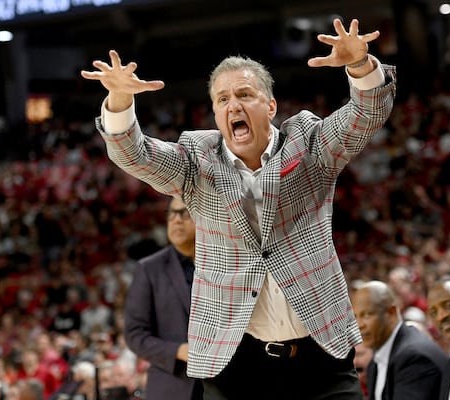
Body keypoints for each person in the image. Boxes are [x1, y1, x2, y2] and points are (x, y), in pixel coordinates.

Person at [81, 16, 397, 399]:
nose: (234, 105)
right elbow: (134, 154)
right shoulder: (196, 160)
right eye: (223, 99)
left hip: (320, 356)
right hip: (236, 364)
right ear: (216, 114)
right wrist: (119, 100)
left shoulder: (308, 144)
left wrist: (359, 66)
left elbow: (366, 115)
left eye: (245, 95)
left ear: (270, 105)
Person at [124, 197, 201, 400]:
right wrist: (178, 350)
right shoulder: (149, 269)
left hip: (228, 383)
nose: (176, 220)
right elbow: (135, 334)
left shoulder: (228, 261)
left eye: (185, 213)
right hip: (172, 385)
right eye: (172, 214)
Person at [351, 280, 448, 400]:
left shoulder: (414, 358)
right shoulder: (375, 362)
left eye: (367, 315)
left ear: (391, 312)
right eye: (355, 317)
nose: (359, 325)